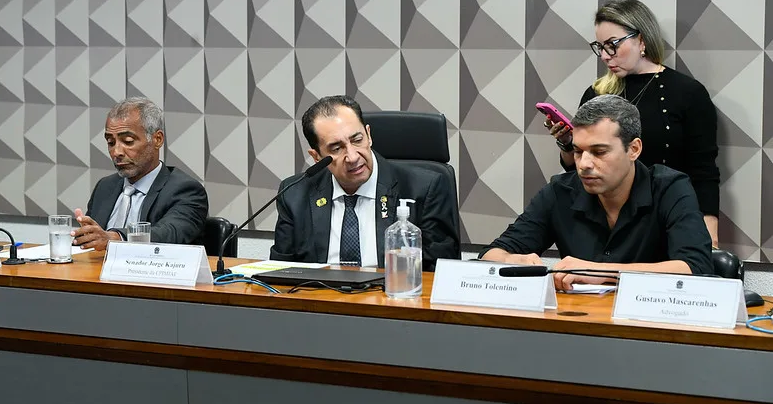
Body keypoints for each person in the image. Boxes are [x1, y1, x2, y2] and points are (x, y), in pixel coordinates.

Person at [484, 94, 713, 292]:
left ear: (633, 149)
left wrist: (599, 272)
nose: (584, 164)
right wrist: (513, 260)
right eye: (577, 151)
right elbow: (489, 255)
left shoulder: (670, 189)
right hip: (579, 326)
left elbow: (696, 269)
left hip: (655, 326)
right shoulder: (560, 191)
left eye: (599, 152)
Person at [546, 0, 720, 247]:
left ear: (641, 40)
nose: (605, 56)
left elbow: (704, 171)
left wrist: (708, 233)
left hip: (668, 220)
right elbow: (578, 173)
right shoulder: (596, 93)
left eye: (613, 45)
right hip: (605, 222)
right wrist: (567, 144)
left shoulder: (688, 93)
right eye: (600, 46)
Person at [270, 95, 460, 271]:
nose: (352, 157)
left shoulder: (424, 188)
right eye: (336, 148)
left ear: (368, 135)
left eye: (357, 140)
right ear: (317, 156)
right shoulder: (294, 194)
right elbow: (280, 272)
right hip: (319, 301)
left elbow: (440, 274)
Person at [72, 97, 209, 251]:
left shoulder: (186, 190)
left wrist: (116, 238)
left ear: (157, 139)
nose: (116, 152)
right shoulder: (105, 187)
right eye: (111, 142)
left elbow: (168, 235)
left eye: (128, 141)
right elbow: (95, 242)